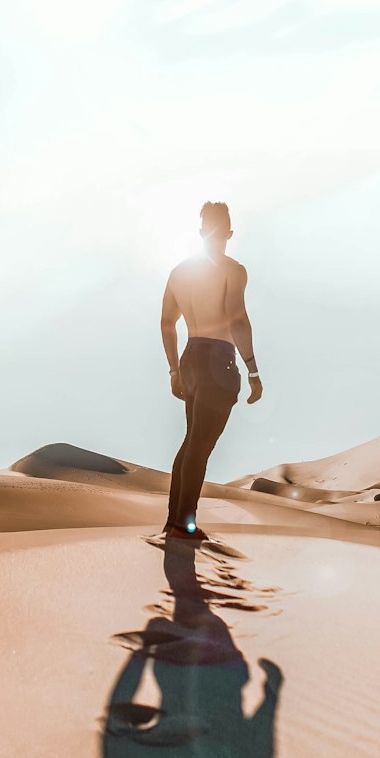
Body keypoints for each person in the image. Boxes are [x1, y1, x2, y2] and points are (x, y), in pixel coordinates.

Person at [160, 201, 262, 540]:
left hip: (190, 356)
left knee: (191, 442)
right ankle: (182, 525)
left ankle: (175, 520)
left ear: (201, 231)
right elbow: (236, 317)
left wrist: (174, 369)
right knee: (200, 445)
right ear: (230, 233)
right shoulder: (233, 270)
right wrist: (253, 371)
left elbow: (166, 322)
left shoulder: (179, 272)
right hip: (218, 358)